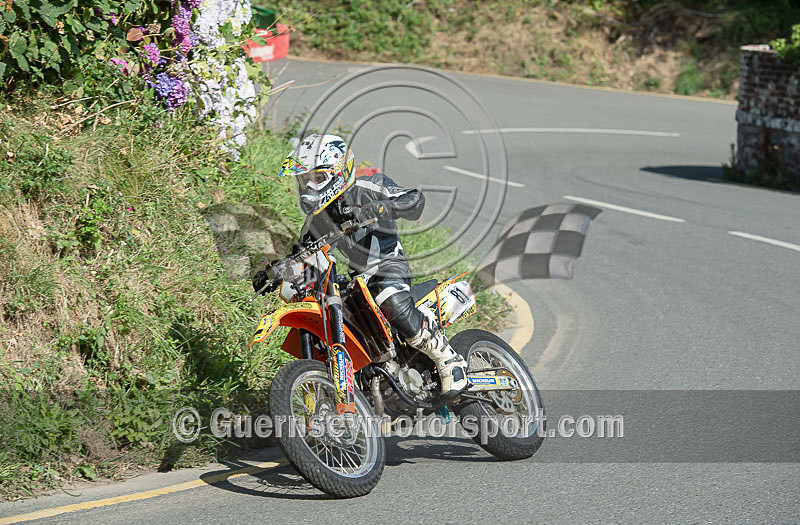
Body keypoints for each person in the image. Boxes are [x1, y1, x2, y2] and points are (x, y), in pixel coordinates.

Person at [252, 133, 468, 397]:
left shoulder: (369, 187)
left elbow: (414, 200)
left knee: (386, 294)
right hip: (359, 279)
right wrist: (275, 271)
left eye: (317, 179)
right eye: (304, 180)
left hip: (388, 265)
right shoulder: (316, 223)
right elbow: (303, 255)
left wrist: (383, 208)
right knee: (337, 308)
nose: (308, 188)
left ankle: (448, 360)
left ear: (339, 171)